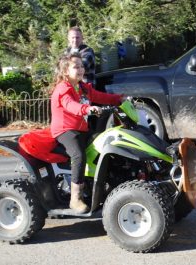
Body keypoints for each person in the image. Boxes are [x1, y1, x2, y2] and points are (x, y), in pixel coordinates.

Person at [50, 53, 123, 213]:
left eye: (82, 66)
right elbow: (71, 106)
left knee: (105, 145)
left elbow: (100, 96)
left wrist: (120, 99)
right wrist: (87, 109)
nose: (81, 69)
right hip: (65, 130)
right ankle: (75, 198)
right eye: (76, 66)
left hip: (81, 129)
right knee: (79, 155)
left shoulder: (83, 87)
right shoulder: (63, 89)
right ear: (65, 71)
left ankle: (99, 185)